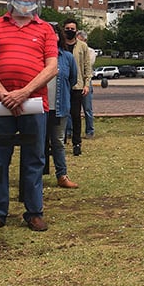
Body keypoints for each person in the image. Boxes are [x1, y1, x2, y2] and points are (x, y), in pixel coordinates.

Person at [0, 0, 58, 232]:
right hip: (0, 104)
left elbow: (52, 67)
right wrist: (3, 93)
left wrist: (23, 92)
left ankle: (34, 211)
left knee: (34, 159)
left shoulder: (45, 29)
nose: (25, 0)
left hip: (34, 102)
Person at [47, 25, 78, 189]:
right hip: (40, 107)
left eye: (55, 34)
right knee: (36, 144)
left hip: (60, 107)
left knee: (58, 142)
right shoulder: (37, 57)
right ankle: (33, 177)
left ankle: (62, 175)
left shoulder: (67, 57)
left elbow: (73, 79)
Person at [61, 19, 91, 156]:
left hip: (77, 85)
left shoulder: (82, 46)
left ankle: (77, 143)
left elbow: (86, 66)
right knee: (60, 115)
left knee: (75, 115)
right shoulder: (59, 46)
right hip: (62, 85)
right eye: (67, 28)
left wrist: (86, 84)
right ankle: (60, 140)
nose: (70, 31)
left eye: (73, 29)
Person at [77, 30, 97, 138]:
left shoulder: (90, 51)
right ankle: (70, 131)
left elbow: (88, 64)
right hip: (76, 80)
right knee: (73, 109)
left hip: (86, 81)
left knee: (87, 108)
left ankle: (90, 130)